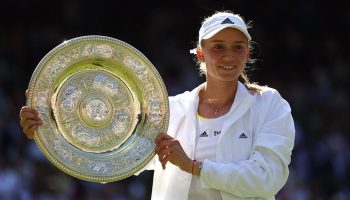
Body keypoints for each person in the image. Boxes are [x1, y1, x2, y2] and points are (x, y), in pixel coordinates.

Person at [20, 11, 295, 200]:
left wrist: (194, 166)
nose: (228, 55)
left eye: (237, 47)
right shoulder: (171, 109)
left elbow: (267, 177)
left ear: (247, 53)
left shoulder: (269, 105)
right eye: (218, 46)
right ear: (200, 53)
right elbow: (111, 163)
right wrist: (50, 127)